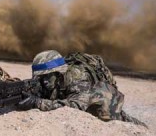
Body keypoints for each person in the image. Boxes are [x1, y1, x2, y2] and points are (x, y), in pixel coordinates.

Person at [17, 50, 146, 126]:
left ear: (58, 72)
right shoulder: (50, 80)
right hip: (74, 96)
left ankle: (139, 125)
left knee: (104, 114)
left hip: (101, 101)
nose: (43, 81)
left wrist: (37, 102)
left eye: (47, 77)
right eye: (40, 77)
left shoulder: (77, 76)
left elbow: (77, 106)